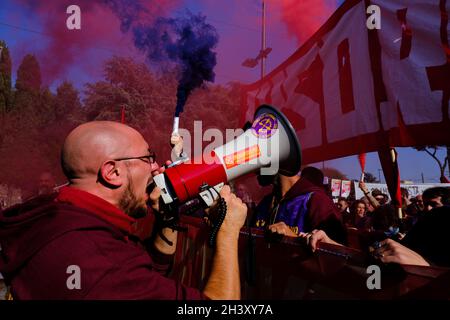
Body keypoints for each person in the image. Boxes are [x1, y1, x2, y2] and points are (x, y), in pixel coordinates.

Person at [0, 121, 247, 299]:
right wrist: (227, 230)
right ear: (113, 172)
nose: (157, 167)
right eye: (148, 158)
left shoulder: (59, 216)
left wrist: (166, 219)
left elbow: (147, 276)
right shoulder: (98, 260)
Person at [254, 166, 346, 244]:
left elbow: (340, 258)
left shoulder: (317, 201)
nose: (255, 168)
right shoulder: (265, 202)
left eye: (262, 160)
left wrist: (292, 239)